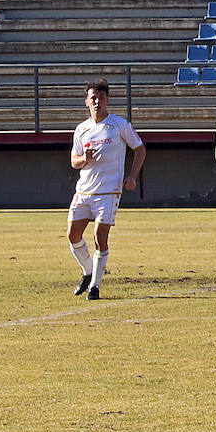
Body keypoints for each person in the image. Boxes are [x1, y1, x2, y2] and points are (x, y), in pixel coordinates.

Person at [67, 78, 145, 300]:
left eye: (101, 98)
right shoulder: (81, 129)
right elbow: (74, 161)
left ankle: (95, 286)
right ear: (86, 102)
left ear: (107, 100)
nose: (97, 102)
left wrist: (132, 176)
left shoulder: (119, 125)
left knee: (99, 236)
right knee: (73, 235)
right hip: (84, 191)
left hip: (109, 192)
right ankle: (88, 271)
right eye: (93, 98)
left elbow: (140, 150)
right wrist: (84, 158)